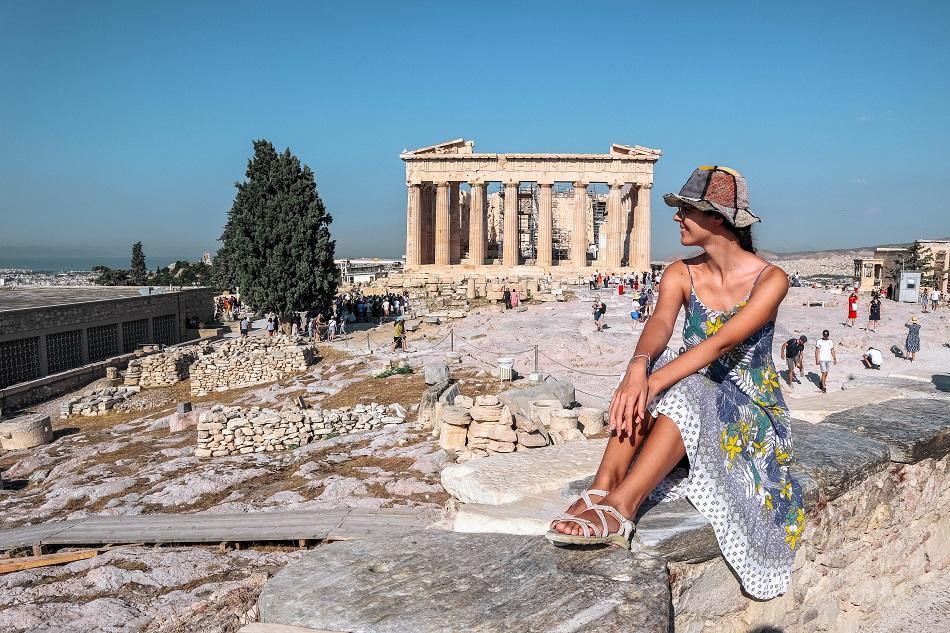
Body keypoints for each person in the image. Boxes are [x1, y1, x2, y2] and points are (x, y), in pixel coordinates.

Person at [547, 165, 804, 601]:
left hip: (751, 411)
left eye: (686, 209)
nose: (676, 216)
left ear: (718, 219)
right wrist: (637, 368)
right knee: (661, 367)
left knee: (682, 380)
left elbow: (724, 342)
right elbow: (661, 322)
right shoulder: (680, 273)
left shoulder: (770, 279)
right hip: (692, 389)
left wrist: (652, 381)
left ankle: (622, 508)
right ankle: (603, 483)